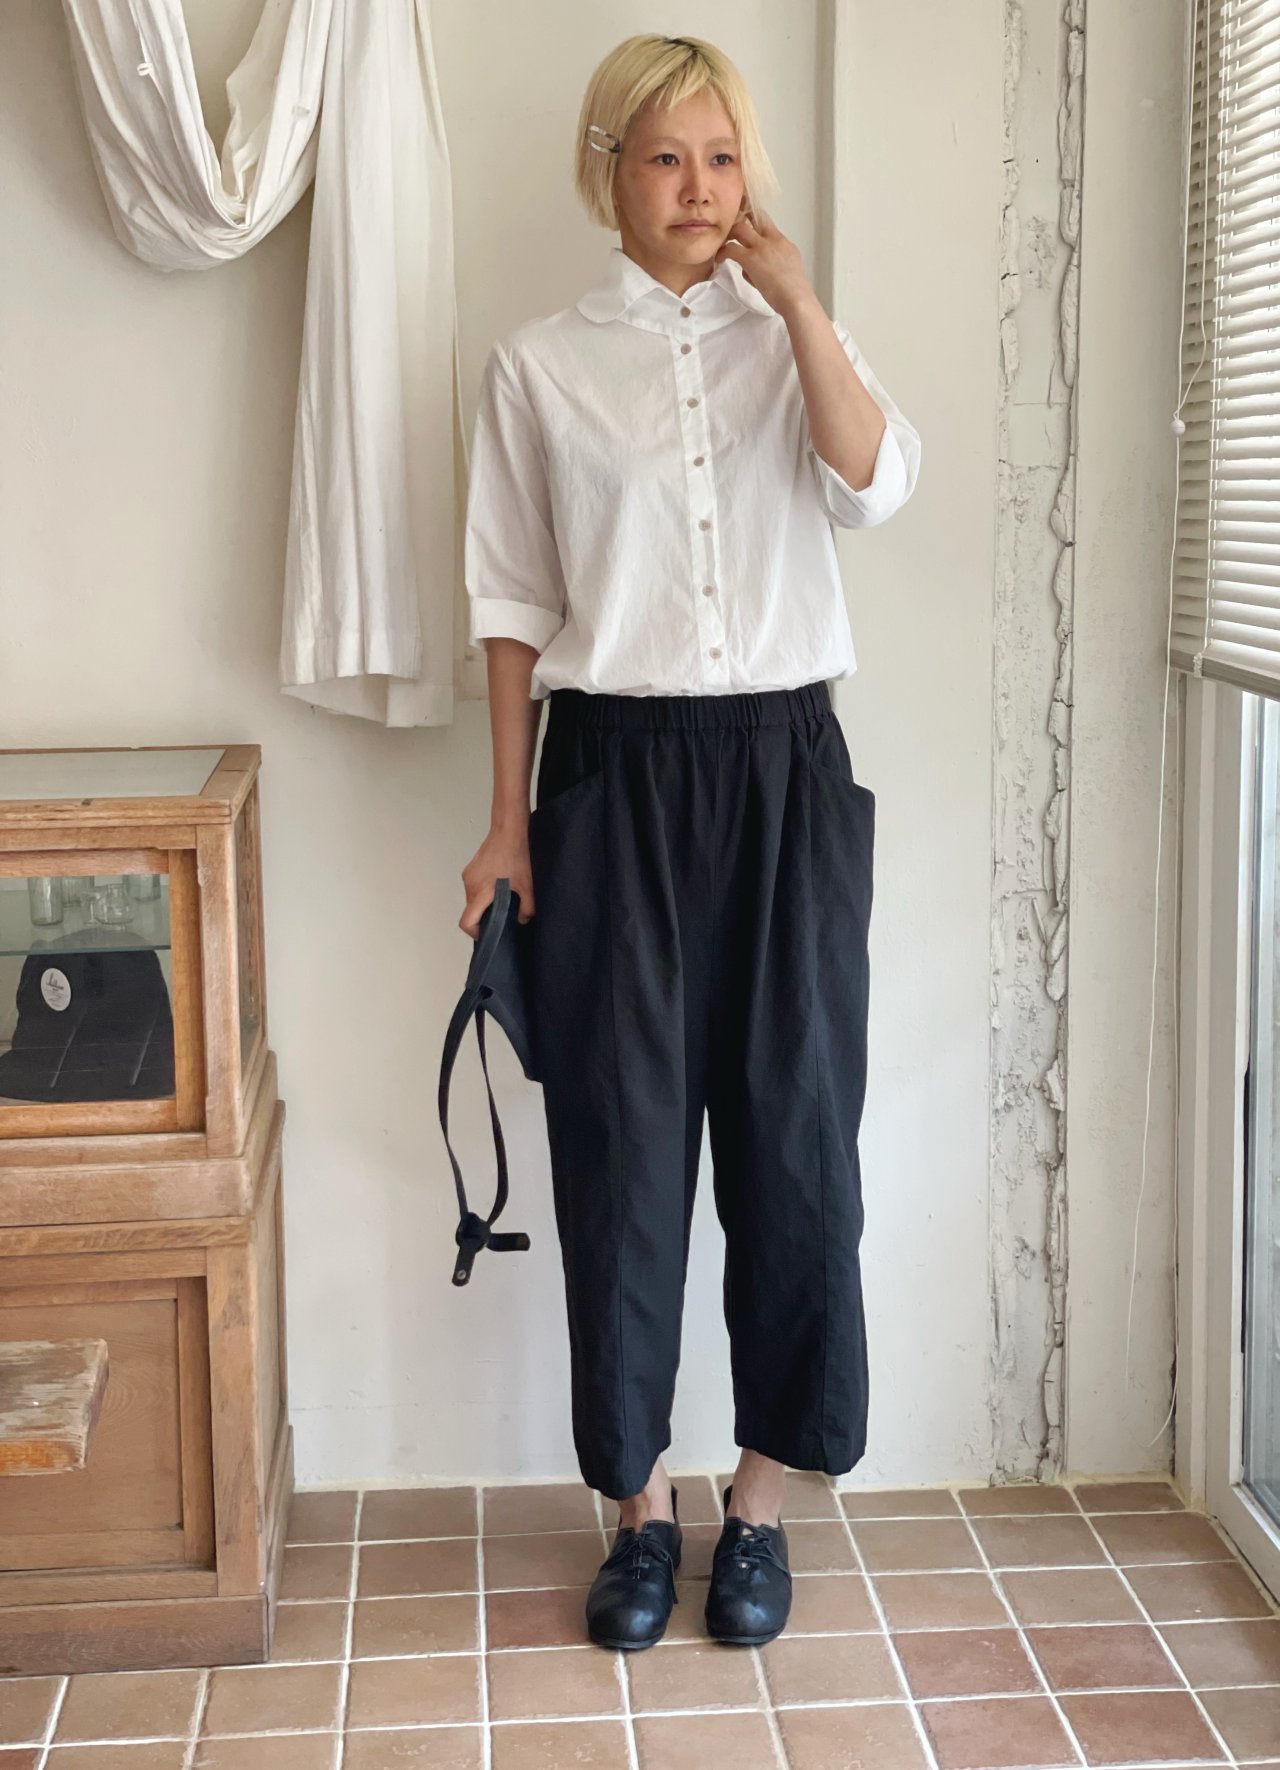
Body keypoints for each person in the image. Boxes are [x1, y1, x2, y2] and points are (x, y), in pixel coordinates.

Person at [459, 32, 920, 1652]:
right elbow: (512, 607)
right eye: (666, 157)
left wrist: (797, 303)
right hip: (611, 781)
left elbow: (874, 480)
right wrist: (507, 820)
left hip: (785, 770)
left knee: (798, 1149)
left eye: (722, 156)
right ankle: (640, 1513)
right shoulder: (539, 365)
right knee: (624, 1158)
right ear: (612, 174)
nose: (699, 187)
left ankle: (764, 1502)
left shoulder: (798, 339)